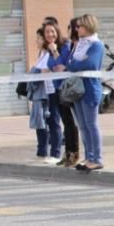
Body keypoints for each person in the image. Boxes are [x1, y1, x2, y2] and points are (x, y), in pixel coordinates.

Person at [66, 14, 105, 172]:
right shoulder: (79, 44)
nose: (77, 29)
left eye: (80, 26)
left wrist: (77, 64)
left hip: (90, 89)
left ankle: (97, 157)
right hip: (77, 90)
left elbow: (91, 63)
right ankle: (89, 156)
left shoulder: (96, 45)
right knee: (82, 126)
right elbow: (70, 63)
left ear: (88, 26)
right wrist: (77, 64)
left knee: (91, 124)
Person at [45, 17, 79, 168]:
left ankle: (74, 152)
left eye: (52, 31)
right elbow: (52, 67)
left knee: (71, 123)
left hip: (67, 88)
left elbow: (62, 64)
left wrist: (55, 51)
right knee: (65, 121)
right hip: (57, 88)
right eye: (47, 32)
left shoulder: (65, 46)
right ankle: (67, 153)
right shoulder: (48, 48)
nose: (50, 34)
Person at [29, 26, 63, 164]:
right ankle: (43, 150)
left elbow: (57, 66)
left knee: (54, 122)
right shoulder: (41, 54)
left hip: (52, 91)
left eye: (39, 38)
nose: (37, 41)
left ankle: (56, 153)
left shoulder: (52, 52)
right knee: (43, 123)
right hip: (42, 93)